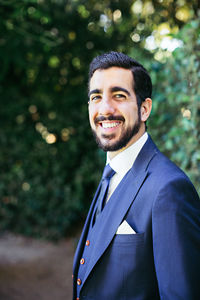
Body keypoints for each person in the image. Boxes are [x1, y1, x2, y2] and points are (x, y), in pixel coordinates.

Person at [72, 51, 200, 300]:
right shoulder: (111, 172)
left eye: (119, 95)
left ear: (144, 108)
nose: (105, 109)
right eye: (96, 97)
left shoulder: (169, 189)